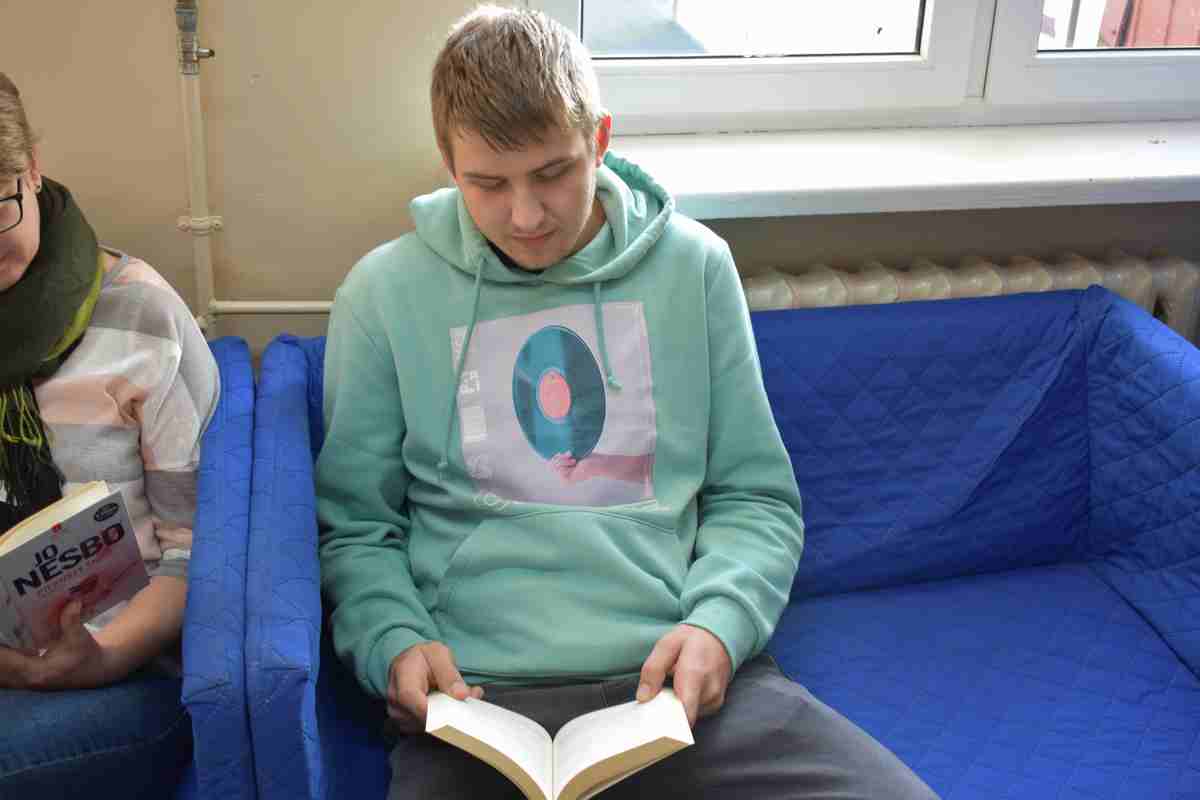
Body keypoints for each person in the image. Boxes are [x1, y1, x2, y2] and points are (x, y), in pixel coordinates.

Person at [316, 6, 938, 798]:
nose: (526, 216)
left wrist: (719, 625)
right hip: (475, 700)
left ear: (600, 139)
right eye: (488, 184)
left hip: (675, 687)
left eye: (553, 173)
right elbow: (358, 528)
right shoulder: (382, 294)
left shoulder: (696, 268)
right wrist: (395, 641)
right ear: (448, 163)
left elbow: (754, 498)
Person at [0, 73, 219, 797]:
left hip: (120, 672)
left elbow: (193, 555)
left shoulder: (140, 317)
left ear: (32, 171)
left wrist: (99, 657)